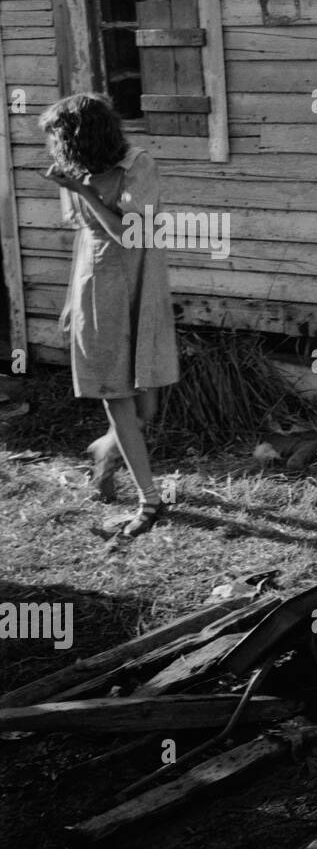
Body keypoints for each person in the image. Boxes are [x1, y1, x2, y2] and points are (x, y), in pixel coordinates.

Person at [38, 94, 179, 538]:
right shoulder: (77, 173)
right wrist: (69, 302)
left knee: (147, 403)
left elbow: (129, 233)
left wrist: (83, 191)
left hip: (141, 281)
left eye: (56, 138)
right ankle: (150, 502)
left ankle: (105, 451)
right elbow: (88, 237)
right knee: (117, 395)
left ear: (79, 136)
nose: (52, 148)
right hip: (97, 289)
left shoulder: (138, 165)